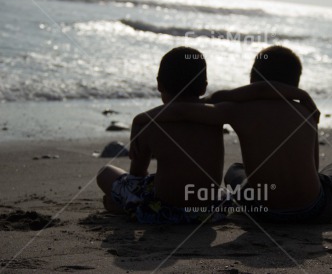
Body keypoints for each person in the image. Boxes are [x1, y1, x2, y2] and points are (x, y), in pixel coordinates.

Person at [96, 46, 316, 224]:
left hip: (164, 213)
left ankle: (121, 206)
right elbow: (262, 91)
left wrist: (140, 118)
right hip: (210, 212)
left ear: (158, 83)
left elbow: (137, 176)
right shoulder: (214, 115)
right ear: (204, 87)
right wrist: (300, 95)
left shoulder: (157, 123)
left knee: (106, 172)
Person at [157, 45, 332, 223]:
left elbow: (187, 107)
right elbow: (313, 169)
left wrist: (145, 119)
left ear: (252, 79)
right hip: (311, 209)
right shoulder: (307, 112)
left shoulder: (236, 110)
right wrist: (300, 95)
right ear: (294, 83)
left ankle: (330, 206)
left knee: (234, 172)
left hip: (262, 210)